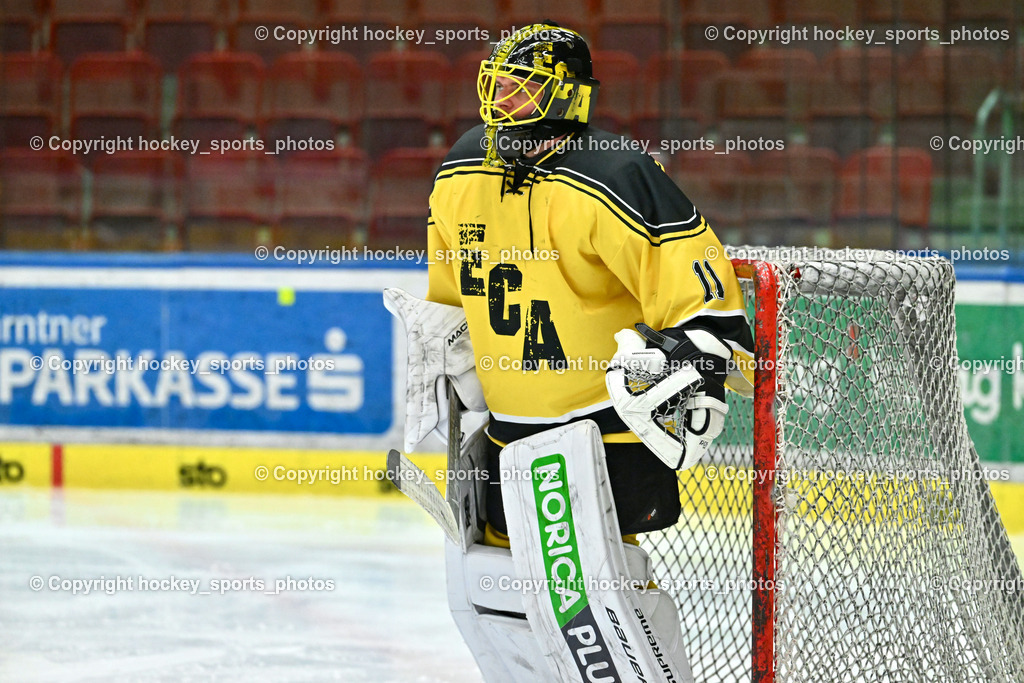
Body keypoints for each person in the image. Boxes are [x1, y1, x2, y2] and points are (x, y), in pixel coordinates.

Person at [401, 22, 755, 681]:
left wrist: (692, 359)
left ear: (568, 98)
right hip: (504, 438)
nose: (500, 104)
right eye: (496, 88)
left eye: (521, 91)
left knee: (597, 603)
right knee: (497, 597)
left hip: (599, 438)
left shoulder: (618, 177)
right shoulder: (459, 171)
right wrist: (447, 361)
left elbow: (710, 313)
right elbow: (450, 302)